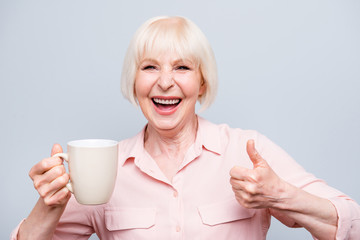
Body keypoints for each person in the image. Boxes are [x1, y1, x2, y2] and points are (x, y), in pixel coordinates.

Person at [11, 16, 360, 240]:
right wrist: (48, 207)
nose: (165, 82)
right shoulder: (101, 168)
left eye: (181, 67)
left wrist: (281, 195)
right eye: (149, 67)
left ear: (203, 83)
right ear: (134, 84)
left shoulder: (248, 151)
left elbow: (351, 225)